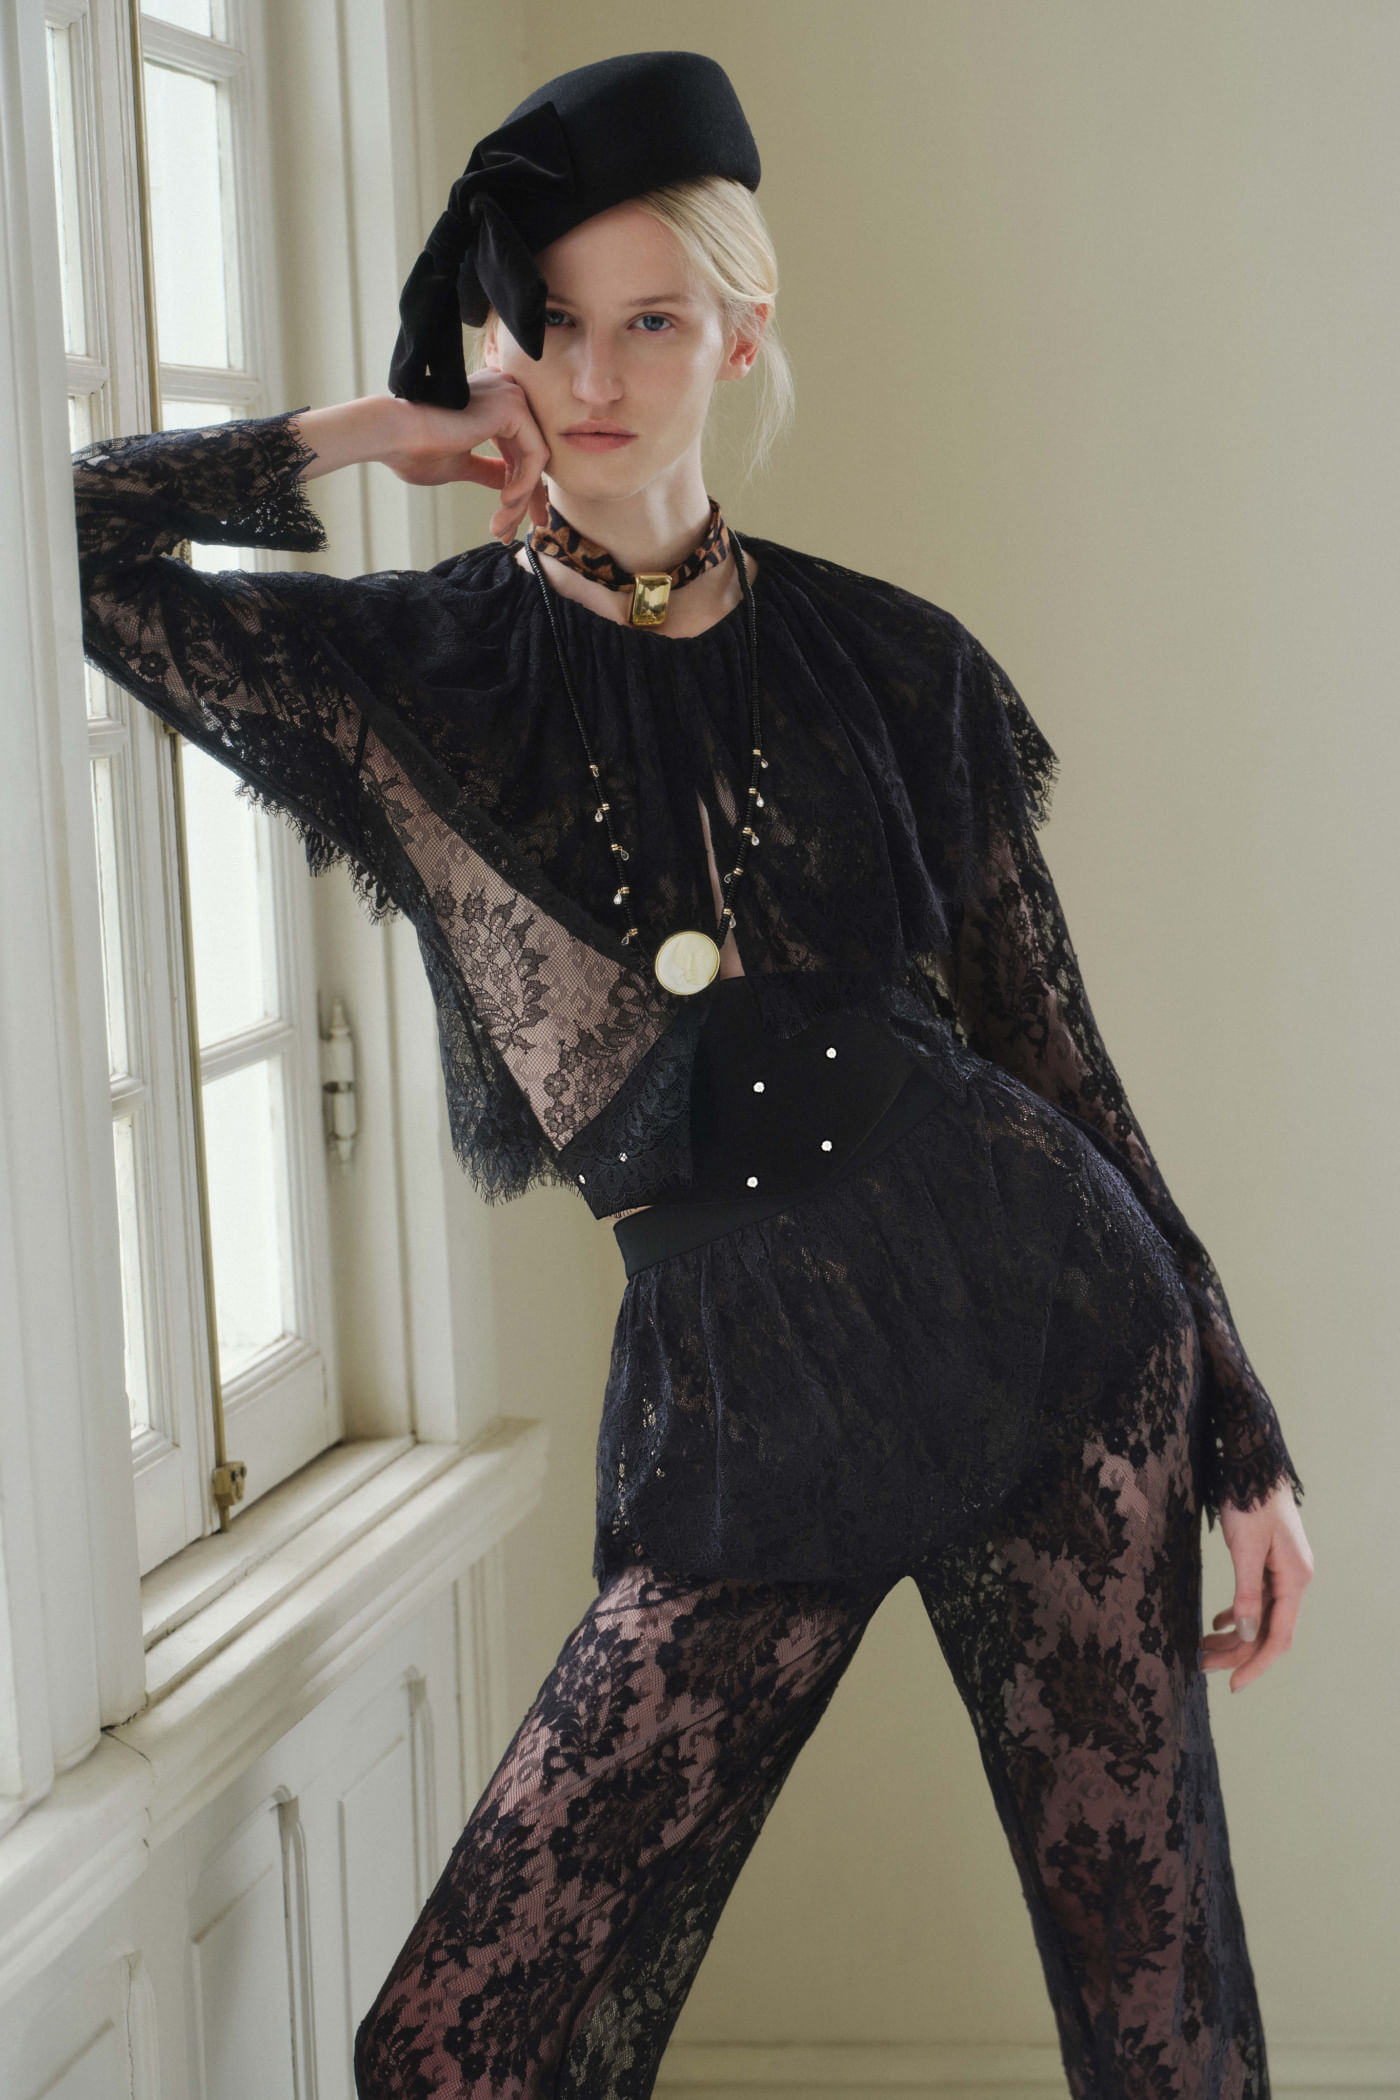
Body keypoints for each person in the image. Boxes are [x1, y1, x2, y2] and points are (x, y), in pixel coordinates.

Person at [71, 48, 1313, 2100]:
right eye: (548, 319)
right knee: (453, 2045)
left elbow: (1058, 1062)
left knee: (1157, 2019)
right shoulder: (411, 675)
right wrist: (372, 429)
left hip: (1055, 1340)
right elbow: (66, 539)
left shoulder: (895, 663)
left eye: (650, 319)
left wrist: (1242, 1437)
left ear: (741, 329)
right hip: (745, 1400)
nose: (593, 374)